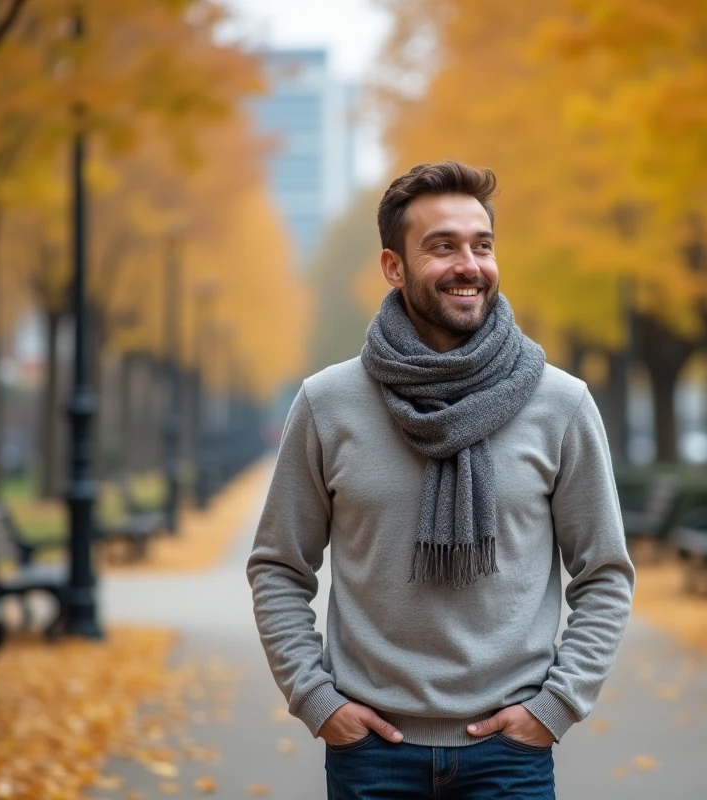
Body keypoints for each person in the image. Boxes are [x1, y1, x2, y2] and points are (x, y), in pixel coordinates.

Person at [246, 160, 635, 799]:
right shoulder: (328, 403)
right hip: (371, 756)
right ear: (393, 267)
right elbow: (278, 566)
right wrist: (317, 700)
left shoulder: (559, 403)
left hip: (510, 758)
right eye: (443, 247)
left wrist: (556, 707)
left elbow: (605, 573)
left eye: (482, 245)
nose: (469, 265)